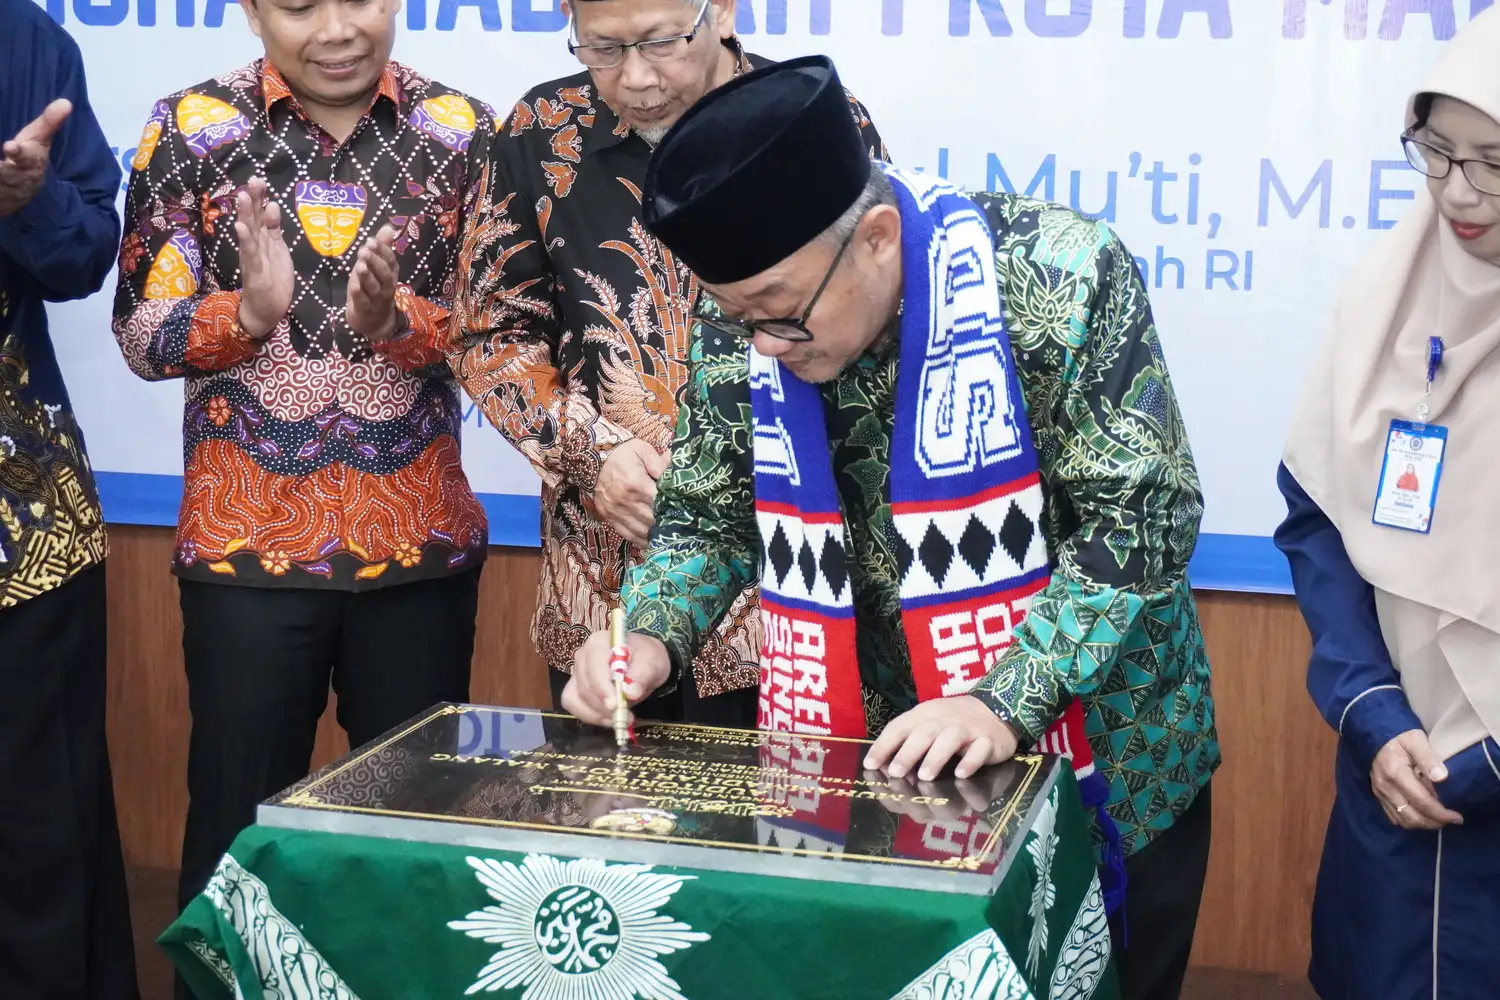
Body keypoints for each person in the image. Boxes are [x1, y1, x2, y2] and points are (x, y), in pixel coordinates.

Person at [565, 55, 1219, 1000]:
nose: (762, 346)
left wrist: (1002, 698)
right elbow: (707, 518)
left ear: (875, 238)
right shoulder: (745, 315)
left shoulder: (1064, 276)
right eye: (739, 320)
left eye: (782, 317)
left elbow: (1143, 518)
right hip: (871, 769)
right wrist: (650, 637)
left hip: (1103, 759)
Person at [110, 0, 494, 956]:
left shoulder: (464, 132)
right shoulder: (192, 126)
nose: (337, 29)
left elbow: (500, 337)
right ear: (250, 10)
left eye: (361, 0)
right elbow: (140, 333)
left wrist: (398, 324)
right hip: (245, 546)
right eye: (298, 5)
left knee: (414, 843)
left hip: (418, 544)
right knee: (236, 837)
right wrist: (245, 316)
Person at [450, 0, 887, 727]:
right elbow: (487, 333)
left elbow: (870, 323)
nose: (636, 78)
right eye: (604, 49)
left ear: (722, 12)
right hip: (606, 583)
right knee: (607, 794)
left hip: (783, 588)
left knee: (791, 797)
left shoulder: (810, 123)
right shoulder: (540, 131)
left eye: (660, 43)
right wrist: (592, 453)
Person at [1275, 9, 1500, 998]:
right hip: (1394, 783)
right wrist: (1371, 707)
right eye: (1438, 152)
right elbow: (1317, 518)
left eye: (1495, 162)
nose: (1460, 191)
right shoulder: (1386, 298)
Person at [0, 1, 141, 997]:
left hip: (19, 525)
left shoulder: (26, 41)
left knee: (39, 821)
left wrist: (29, 198)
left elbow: (85, 254)